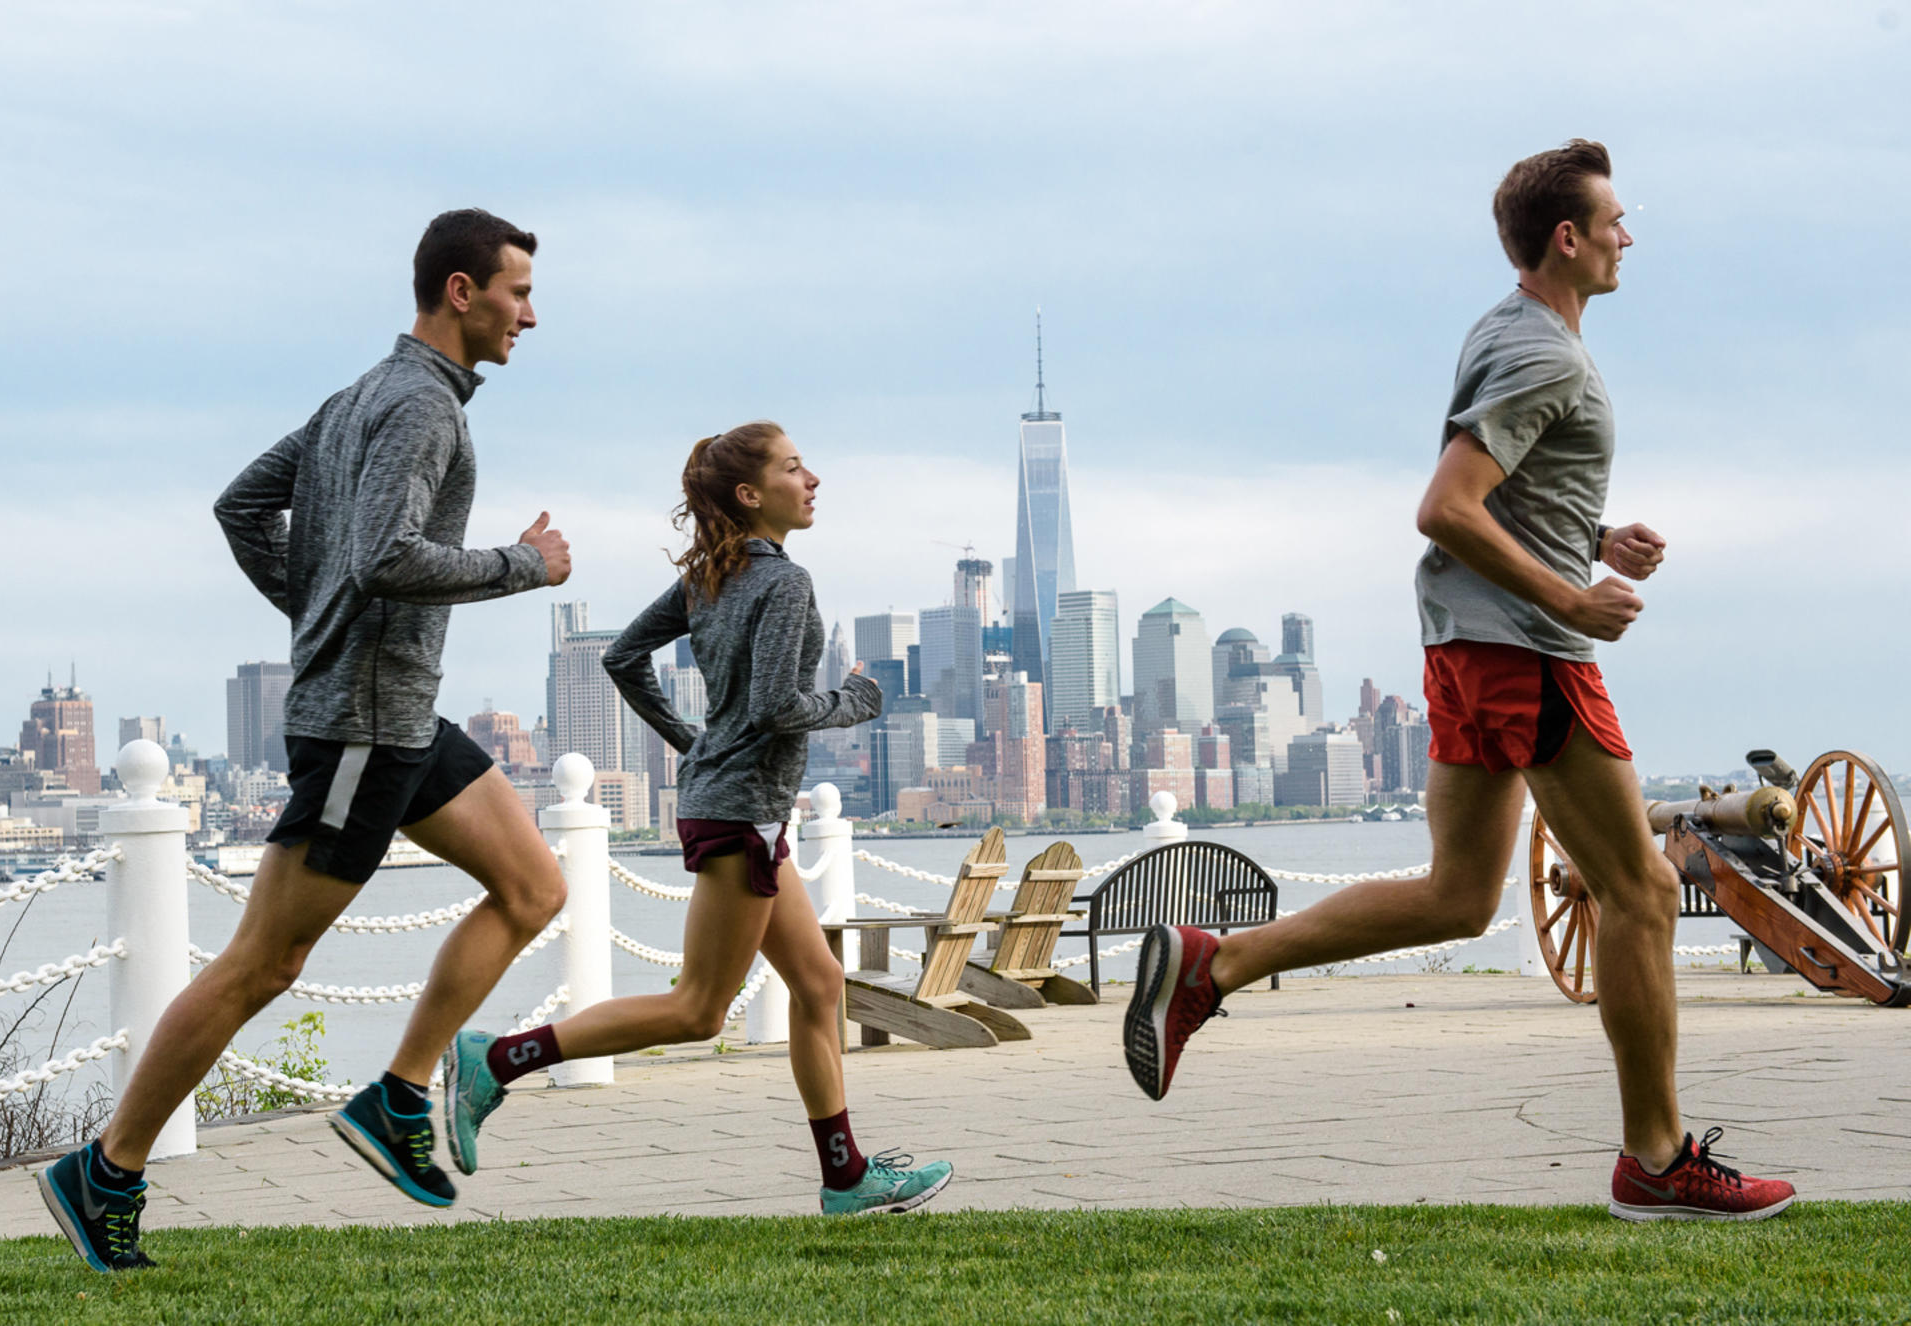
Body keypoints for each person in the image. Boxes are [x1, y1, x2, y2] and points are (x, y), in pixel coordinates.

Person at [1121, 140, 1794, 1223]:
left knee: (1458, 894)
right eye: (1615, 219)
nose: (1631, 234)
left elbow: (1497, 492)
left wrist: (1594, 536)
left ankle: (1214, 964)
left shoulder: (1508, 328)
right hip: (1527, 651)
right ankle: (1658, 1161)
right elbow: (1447, 505)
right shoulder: (1548, 356)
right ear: (1566, 239)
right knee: (1644, 892)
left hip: (1470, 646)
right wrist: (1573, 600)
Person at [39, 208, 572, 1271]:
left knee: (535, 889)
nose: (531, 313)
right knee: (263, 963)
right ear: (460, 292)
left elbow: (245, 507)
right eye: (517, 291)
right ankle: (107, 1168)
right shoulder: (419, 408)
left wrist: (312, 610)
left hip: (403, 720)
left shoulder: (356, 398)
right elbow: (384, 556)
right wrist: (523, 564)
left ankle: (400, 1093)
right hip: (362, 733)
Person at [435, 422, 954, 1216]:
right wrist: (854, 701)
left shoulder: (713, 577)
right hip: (740, 812)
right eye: (793, 468)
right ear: (751, 495)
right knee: (698, 1010)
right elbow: (779, 706)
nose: (811, 478)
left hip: (739, 807)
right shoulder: (782, 582)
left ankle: (846, 1180)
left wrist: (695, 742)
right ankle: (499, 1058)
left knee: (818, 986)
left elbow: (621, 657)